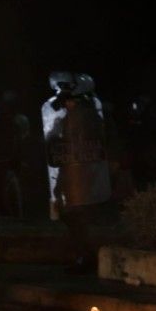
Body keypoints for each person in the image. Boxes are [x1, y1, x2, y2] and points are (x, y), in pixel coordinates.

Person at [42, 72, 112, 274]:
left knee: (80, 218)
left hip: (85, 175)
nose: (66, 102)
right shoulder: (71, 116)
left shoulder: (89, 116)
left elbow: (98, 147)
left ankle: (87, 259)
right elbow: (56, 142)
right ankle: (85, 257)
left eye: (70, 99)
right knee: (72, 217)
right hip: (71, 173)